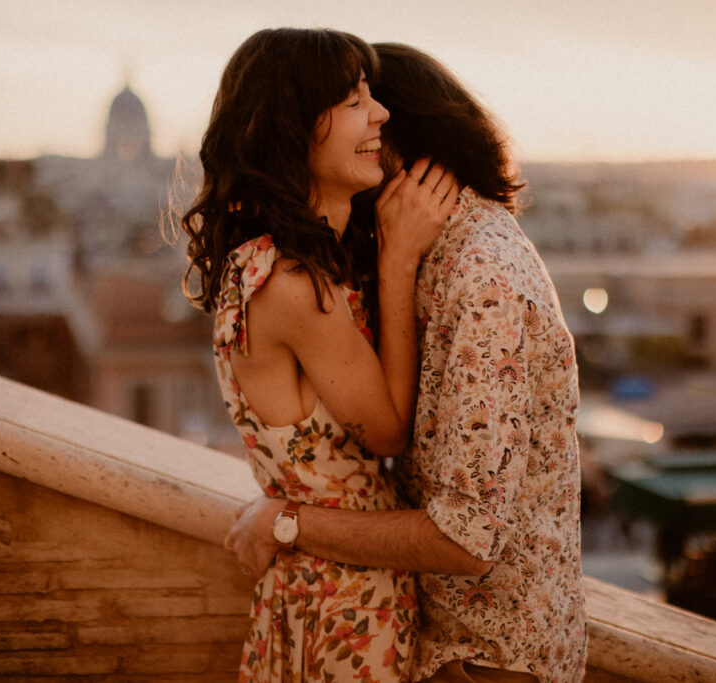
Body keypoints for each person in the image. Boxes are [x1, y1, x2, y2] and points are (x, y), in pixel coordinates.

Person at [225, 42, 588, 682]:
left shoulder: (482, 281)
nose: (375, 117)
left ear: (410, 148)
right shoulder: (325, 271)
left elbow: (466, 536)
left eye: (380, 108)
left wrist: (287, 522)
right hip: (425, 635)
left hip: (485, 661)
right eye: (355, 102)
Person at [180, 29, 458, 681]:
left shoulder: (266, 264)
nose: (380, 113)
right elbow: (388, 427)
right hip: (347, 601)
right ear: (296, 128)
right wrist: (399, 256)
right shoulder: (295, 286)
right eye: (354, 99)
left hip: (319, 585)